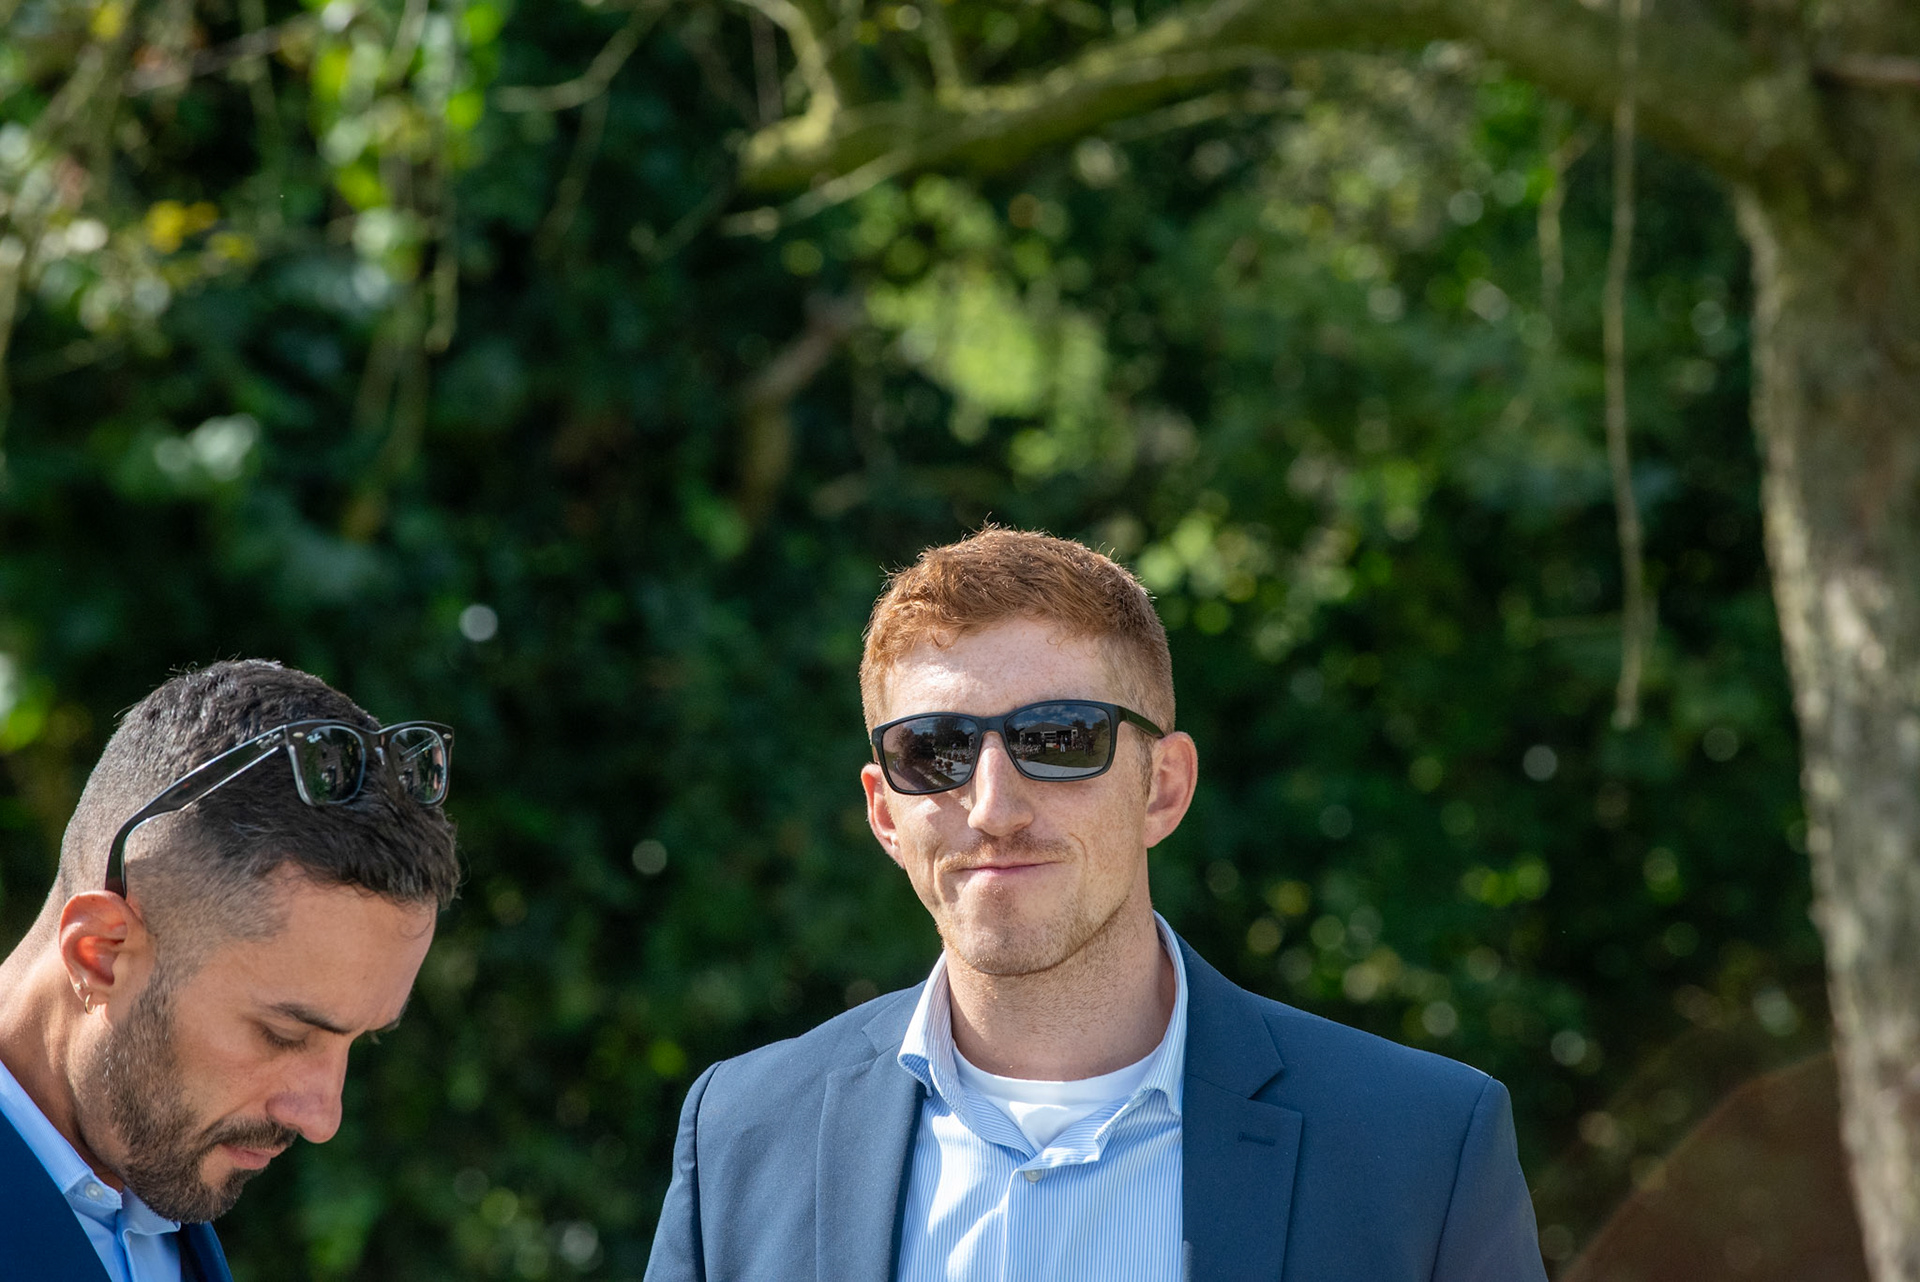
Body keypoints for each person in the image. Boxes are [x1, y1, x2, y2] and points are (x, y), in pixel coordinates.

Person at [645, 528, 1546, 1281]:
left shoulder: (1422, 1149)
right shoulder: (741, 1136)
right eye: (935, 749)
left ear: (1164, 787)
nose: (993, 808)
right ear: (886, 812)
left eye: (1057, 739)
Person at [0, 660, 459, 1282]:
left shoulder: (157, 1206)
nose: (322, 1118)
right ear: (100, 952)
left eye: (360, 1040)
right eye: (283, 1034)